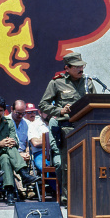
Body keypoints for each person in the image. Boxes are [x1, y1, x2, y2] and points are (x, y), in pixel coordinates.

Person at [39, 52, 96, 205]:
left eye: (82, 66)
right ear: (67, 68)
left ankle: (88, 197)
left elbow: (97, 103)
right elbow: (43, 105)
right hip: (68, 128)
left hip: (87, 128)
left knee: (89, 164)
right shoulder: (57, 83)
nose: (81, 69)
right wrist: (60, 111)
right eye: (77, 67)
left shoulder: (88, 83)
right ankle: (68, 198)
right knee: (68, 165)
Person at [0, 96, 40, 205]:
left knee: (6, 157)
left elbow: (15, 140)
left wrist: (12, 142)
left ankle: (9, 191)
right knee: (7, 149)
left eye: (0, 110)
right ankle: (23, 174)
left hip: (4, 156)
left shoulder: (8, 122)